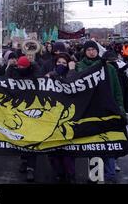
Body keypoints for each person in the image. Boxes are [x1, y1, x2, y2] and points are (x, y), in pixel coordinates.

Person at [76, 41, 124, 184]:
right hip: (89, 112)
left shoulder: (108, 68)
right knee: (93, 145)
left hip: (108, 110)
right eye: (88, 49)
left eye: (93, 49)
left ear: (97, 51)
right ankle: (95, 175)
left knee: (108, 144)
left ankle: (110, 175)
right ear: (85, 52)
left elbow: (117, 90)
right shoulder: (80, 68)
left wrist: (120, 107)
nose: (91, 52)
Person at [6, 56, 41, 182]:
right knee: (21, 138)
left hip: (32, 110)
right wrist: (10, 65)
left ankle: (31, 168)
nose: (20, 68)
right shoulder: (15, 72)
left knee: (31, 140)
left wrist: (34, 64)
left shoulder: (33, 73)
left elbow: (39, 76)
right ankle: (24, 161)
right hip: (19, 111)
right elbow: (7, 79)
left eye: (22, 67)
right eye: (18, 66)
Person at [46, 53, 77, 183]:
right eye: (59, 63)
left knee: (68, 151)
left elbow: (72, 86)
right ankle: (58, 173)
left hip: (68, 118)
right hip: (52, 118)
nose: (61, 65)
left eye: (64, 63)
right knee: (53, 150)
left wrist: (71, 70)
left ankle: (70, 174)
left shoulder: (73, 74)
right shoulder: (50, 76)